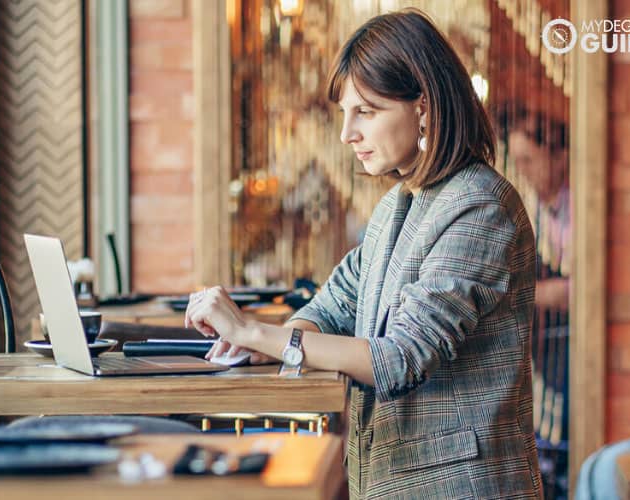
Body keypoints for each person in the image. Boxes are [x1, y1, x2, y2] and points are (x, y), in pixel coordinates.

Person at [185, 8, 542, 499]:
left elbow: (399, 359)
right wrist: (259, 343)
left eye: (366, 113)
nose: (346, 133)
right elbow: (333, 307)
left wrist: (253, 330)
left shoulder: (479, 207)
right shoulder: (398, 205)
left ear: (423, 108)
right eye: (344, 113)